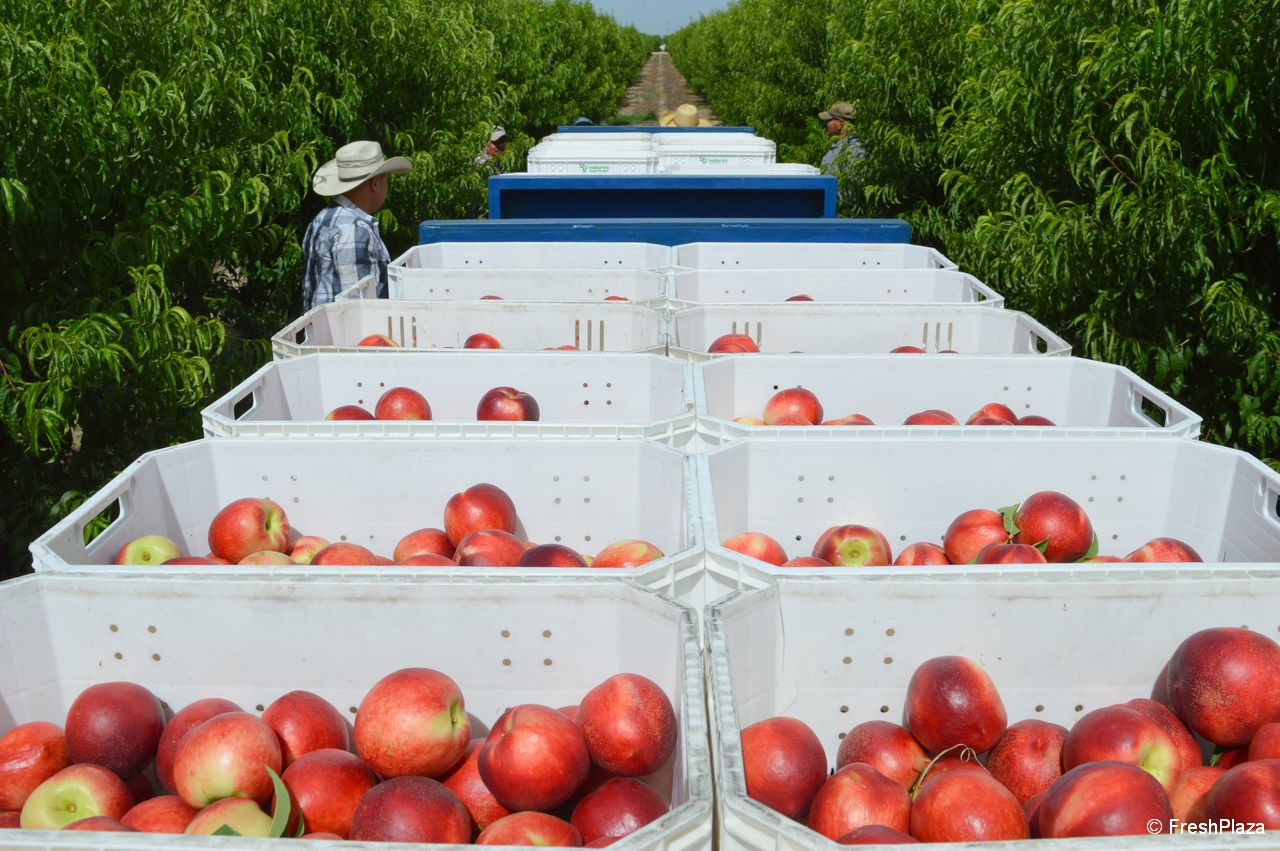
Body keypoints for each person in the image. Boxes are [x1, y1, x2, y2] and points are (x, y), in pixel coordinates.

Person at [300, 140, 412, 311]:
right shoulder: (355, 230)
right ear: (375, 184)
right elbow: (358, 308)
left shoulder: (320, 219)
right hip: (343, 329)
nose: (386, 187)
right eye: (386, 181)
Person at [818, 101, 866, 176]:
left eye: (829, 120)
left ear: (840, 124)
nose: (825, 124)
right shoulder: (838, 145)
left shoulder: (854, 149)